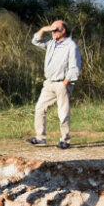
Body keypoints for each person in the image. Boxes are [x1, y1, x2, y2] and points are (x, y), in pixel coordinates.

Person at [27, 19, 81, 149]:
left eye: (56, 30)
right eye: (52, 30)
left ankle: (65, 140)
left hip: (62, 83)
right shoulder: (51, 43)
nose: (53, 32)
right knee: (40, 108)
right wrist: (43, 29)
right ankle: (40, 138)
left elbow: (75, 67)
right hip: (49, 83)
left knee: (63, 112)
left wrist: (66, 82)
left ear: (64, 31)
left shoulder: (71, 46)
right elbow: (35, 41)